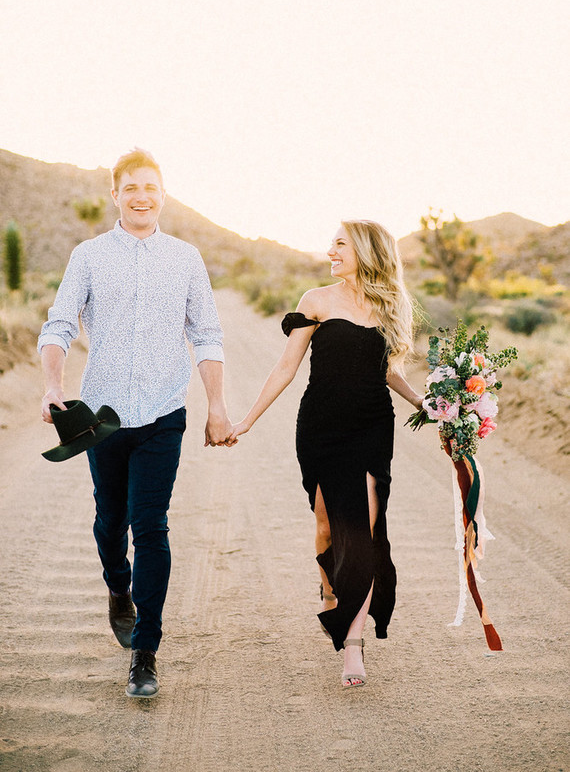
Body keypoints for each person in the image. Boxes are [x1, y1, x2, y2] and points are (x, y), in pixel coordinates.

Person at [38, 148, 234, 698]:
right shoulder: (90, 255)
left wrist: (216, 405)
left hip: (164, 414)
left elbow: (207, 335)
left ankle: (145, 651)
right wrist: (54, 385)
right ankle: (116, 588)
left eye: (151, 187)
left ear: (163, 194)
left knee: (151, 525)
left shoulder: (186, 258)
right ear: (116, 196)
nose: (142, 196)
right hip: (103, 417)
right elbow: (57, 324)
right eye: (131, 188)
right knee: (110, 521)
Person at [230, 219, 423, 688]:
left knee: (366, 531)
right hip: (321, 427)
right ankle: (331, 585)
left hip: (373, 429)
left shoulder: (390, 305)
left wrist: (424, 402)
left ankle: (352, 644)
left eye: (339, 243)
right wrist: (246, 420)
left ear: (364, 249)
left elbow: (387, 371)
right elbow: (286, 367)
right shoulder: (315, 301)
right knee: (325, 522)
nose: (330, 251)